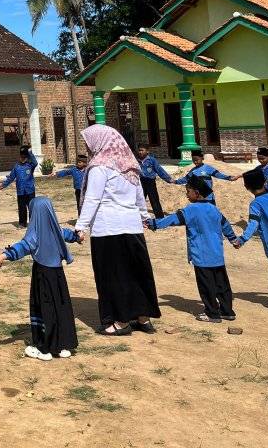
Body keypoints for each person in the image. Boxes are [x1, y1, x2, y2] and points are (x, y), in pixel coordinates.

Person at [76, 124, 160, 336]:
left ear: (99, 142)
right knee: (137, 272)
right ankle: (143, 317)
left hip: (107, 229)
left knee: (114, 275)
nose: (87, 147)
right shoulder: (130, 165)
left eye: (88, 142)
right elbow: (139, 198)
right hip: (132, 227)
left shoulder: (99, 167)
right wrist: (144, 217)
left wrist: (81, 225)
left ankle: (121, 322)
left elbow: (93, 198)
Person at [0, 197, 81, 361]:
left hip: (42, 275)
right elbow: (69, 234)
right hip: (58, 275)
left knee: (44, 308)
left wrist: (2, 256)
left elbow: (23, 246)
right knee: (59, 306)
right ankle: (62, 346)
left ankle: (44, 348)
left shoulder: (35, 233)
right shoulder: (56, 230)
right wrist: (78, 237)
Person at [145, 174, 240, 322]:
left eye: (188, 191)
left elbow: (172, 220)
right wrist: (233, 239)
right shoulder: (214, 209)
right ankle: (227, 311)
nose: (186, 194)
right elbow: (226, 225)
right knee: (222, 285)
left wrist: (153, 224)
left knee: (206, 286)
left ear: (196, 193)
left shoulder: (191, 209)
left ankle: (212, 314)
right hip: (217, 255)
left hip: (201, 256)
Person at [237, 166, 268, 307]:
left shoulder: (255, 204)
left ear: (247, 187)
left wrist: (242, 239)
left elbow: (253, 224)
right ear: (265, 182)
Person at [0, 145, 39, 227]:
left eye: (25, 157)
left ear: (27, 157)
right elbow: (11, 178)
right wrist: (3, 185)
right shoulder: (16, 167)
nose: (23, 158)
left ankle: (33, 223)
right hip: (20, 191)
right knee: (21, 208)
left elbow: (35, 163)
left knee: (31, 207)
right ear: (19, 157)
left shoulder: (30, 165)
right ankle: (22, 223)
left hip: (30, 191)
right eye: (21, 157)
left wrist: (30, 152)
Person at [136, 145, 174, 219]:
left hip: (150, 182)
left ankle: (159, 217)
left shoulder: (152, 160)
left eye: (142, 150)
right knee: (140, 199)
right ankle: (138, 217)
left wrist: (168, 179)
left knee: (154, 200)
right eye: (139, 150)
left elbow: (159, 170)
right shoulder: (136, 160)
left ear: (147, 151)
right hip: (140, 182)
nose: (140, 152)